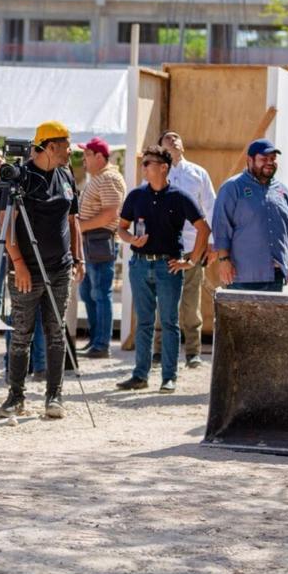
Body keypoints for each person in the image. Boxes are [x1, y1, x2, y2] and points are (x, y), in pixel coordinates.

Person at [0, 121, 84, 420]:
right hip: (26, 271)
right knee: (21, 334)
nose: (70, 151)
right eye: (66, 145)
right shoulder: (21, 178)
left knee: (56, 332)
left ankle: (54, 396)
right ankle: (15, 396)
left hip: (60, 269)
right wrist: (18, 263)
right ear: (49, 146)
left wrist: (78, 259)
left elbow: (74, 221)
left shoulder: (66, 175)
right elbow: (4, 225)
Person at [115, 146, 210, 393]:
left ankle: (169, 377)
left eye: (148, 163)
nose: (143, 166)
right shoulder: (136, 196)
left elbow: (203, 229)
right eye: (143, 163)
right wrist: (130, 240)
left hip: (168, 265)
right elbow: (121, 227)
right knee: (144, 323)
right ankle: (140, 375)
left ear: (163, 167)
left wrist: (192, 261)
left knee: (169, 322)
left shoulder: (180, 196)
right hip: (139, 264)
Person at [150, 130, 216, 368]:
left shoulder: (198, 173)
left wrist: (212, 242)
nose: (174, 140)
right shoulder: (154, 172)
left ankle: (192, 353)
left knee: (191, 302)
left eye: (177, 137)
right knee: (164, 301)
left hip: (192, 248)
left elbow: (211, 206)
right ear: (161, 148)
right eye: (167, 138)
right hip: (164, 249)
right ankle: (158, 351)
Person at [212, 139, 288, 292]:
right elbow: (221, 226)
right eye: (264, 159)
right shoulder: (232, 187)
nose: (270, 162)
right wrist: (223, 260)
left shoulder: (283, 191)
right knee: (241, 317)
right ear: (250, 160)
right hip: (243, 275)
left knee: (272, 317)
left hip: (276, 276)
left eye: (273, 159)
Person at [75, 136, 125, 359]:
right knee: (89, 292)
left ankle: (101, 344)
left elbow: (110, 214)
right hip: (90, 240)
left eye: (87, 154)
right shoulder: (100, 177)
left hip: (99, 239)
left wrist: (79, 226)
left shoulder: (108, 179)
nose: (83, 159)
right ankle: (97, 340)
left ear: (99, 156)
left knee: (99, 293)